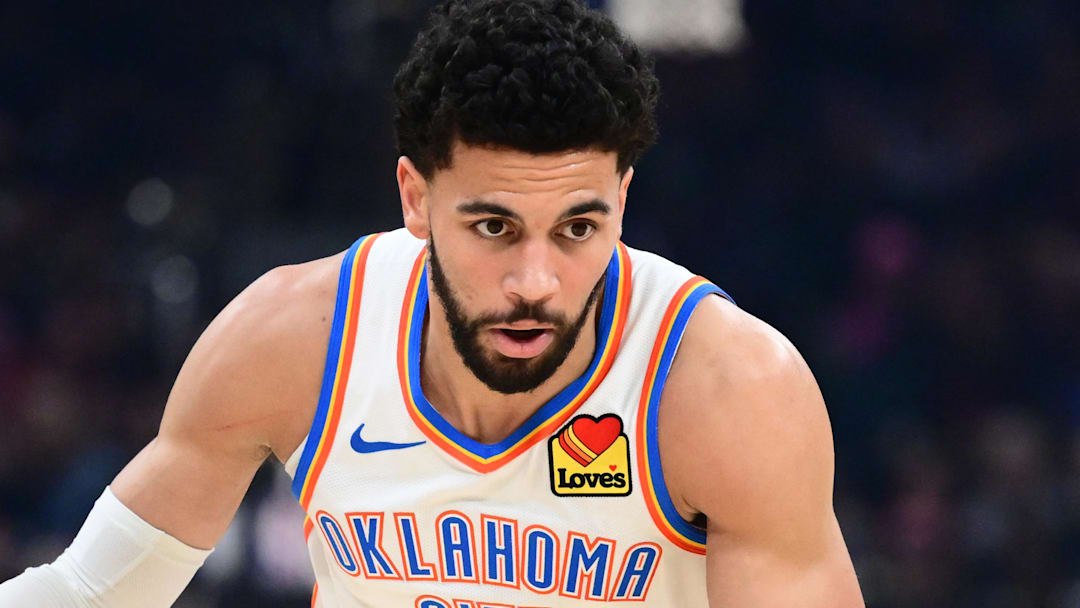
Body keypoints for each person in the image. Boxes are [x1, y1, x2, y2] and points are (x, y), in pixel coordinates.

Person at [0, 0, 865, 606]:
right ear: (416, 197)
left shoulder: (728, 387)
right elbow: (89, 593)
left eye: (577, 227)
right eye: (494, 226)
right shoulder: (294, 339)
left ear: (623, 203)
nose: (535, 280)